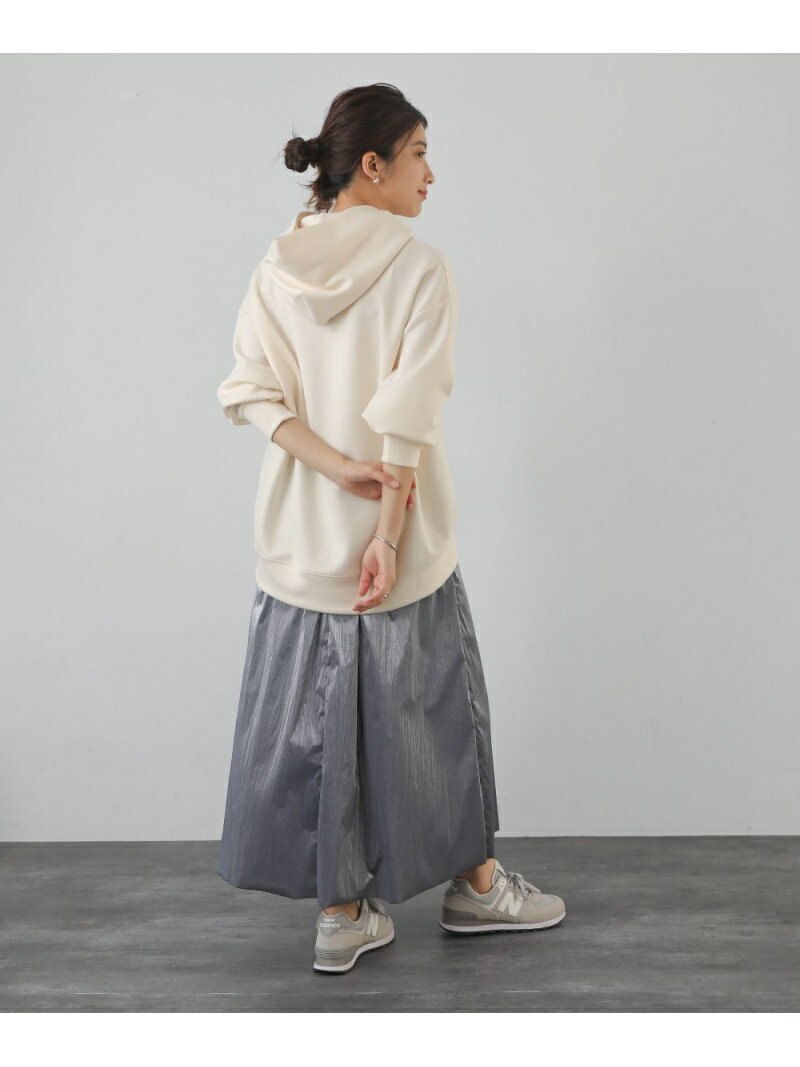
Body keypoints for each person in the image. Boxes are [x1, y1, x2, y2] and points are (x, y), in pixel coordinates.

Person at [215, 82, 566, 975]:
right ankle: (475, 885)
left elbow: (252, 393)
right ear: (371, 164)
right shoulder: (419, 267)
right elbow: (407, 420)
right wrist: (385, 533)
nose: (430, 175)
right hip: (399, 543)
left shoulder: (275, 267)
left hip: (299, 543)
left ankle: (340, 914)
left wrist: (334, 468)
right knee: (434, 711)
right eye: (418, 155)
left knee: (313, 725)